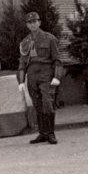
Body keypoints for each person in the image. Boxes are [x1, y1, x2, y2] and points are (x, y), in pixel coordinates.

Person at [17, 12, 63, 145]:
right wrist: (21, 81)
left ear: (39, 22)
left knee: (47, 103)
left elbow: (57, 60)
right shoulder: (25, 42)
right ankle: (43, 133)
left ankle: (51, 133)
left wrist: (57, 76)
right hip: (32, 77)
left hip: (46, 76)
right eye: (29, 22)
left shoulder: (50, 39)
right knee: (37, 105)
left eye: (35, 21)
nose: (32, 24)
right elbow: (22, 63)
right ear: (27, 25)